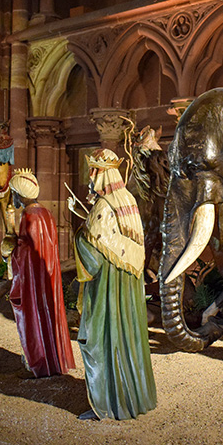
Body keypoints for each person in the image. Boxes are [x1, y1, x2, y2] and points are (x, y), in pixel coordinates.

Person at [68, 148, 157, 420]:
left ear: (104, 173)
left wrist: (79, 232)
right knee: (127, 337)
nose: (91, 176)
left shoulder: (103, 206)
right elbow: (114, 241)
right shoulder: (127, 200)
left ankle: (108, 403)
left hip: (108, 287)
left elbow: (93, 256)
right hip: (127, 285)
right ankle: (134, 398)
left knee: (102, 338)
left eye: (95, 170)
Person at [2, 168, 75, 378]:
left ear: (20, 194)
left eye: (14, 193)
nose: (13, 197)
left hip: (35, 278)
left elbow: (27, 252)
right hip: (47, 274)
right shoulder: (45, 212)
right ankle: (53, 360)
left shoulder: (29, 215)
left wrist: (11, 249)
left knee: (34, 315)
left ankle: (41, 362)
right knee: (48, 315)